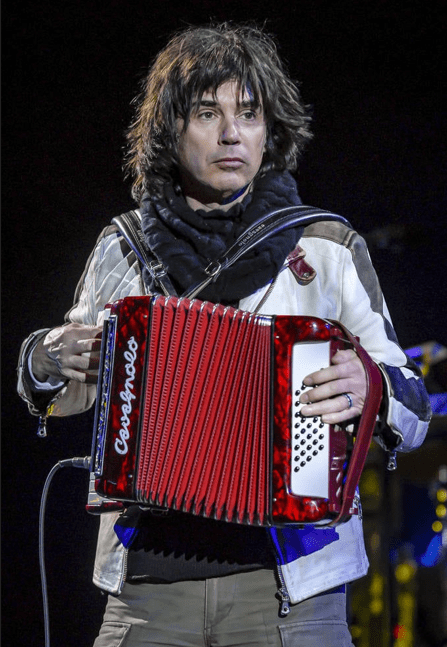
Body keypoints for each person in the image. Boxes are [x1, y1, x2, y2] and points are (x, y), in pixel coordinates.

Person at [17, 23, 431, 647]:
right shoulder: (124, 250)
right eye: (208, 113)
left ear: (271, 132)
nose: (232, 133)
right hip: (147, 597)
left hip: (293, 592)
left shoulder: (326, 246)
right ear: (170, 130)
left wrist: (371, 384)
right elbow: (68, 390)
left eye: (249, 114)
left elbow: (415, 408)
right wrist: (46, 360)